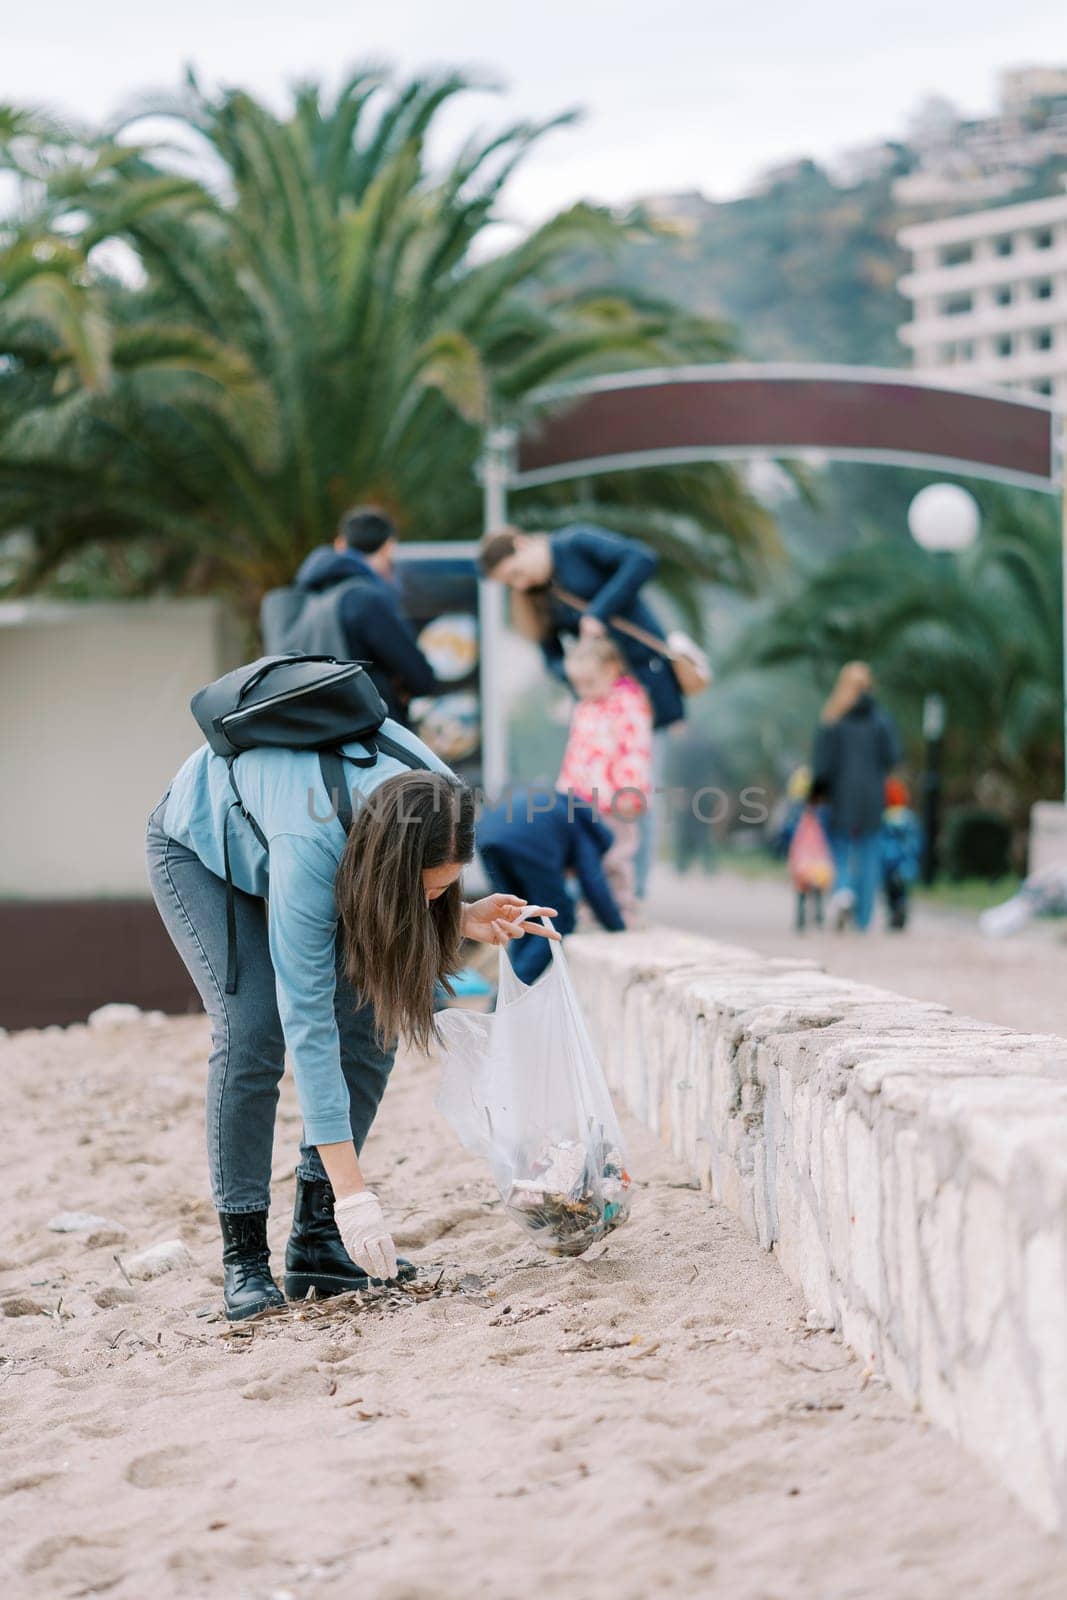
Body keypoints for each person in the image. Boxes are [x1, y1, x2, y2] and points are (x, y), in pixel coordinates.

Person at [146, 726, 558, 1322]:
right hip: (205, 845)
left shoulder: (439, 794)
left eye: (445, 887)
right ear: (387, 873)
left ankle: (316, 1241)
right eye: (429, 891)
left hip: (324, 847)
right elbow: (307, 1019)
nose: (433, 900)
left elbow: (408, 894)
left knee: (372, 1008)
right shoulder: (310, 849)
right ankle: (244, 1258)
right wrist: (353, 1194)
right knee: (254, 1031)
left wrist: (458, 914)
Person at [478, 522, 685, 894]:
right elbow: (551, 658)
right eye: (512, 582)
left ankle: (634, 891)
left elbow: (641, 558)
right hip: (599, 707)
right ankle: (605, 889)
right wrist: (582, 677)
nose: (520, 584)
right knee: (594, 796)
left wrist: (598, 614)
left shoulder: (576, 542)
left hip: (647, 686)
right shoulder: (536, 598)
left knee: (640, 788)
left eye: (517, 572)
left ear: (524, 544)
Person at [287, 506, 438, 721]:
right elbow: (420, 678)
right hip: (368, 733)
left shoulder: (305, 598)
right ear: (388, 547)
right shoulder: (367, 599)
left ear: (340, 544)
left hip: (312, 727)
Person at [477, 789, 625, 985]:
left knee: (517, 916)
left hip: (487, 837)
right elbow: (593, 883)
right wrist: (617, 928)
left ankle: (508, 993)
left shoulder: (564, 807)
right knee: (559, 917)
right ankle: (515, 989)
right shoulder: (588, 833)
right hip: (527, 840)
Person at [556, 636, 653, 923]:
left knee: (617, 855)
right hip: (583, 796)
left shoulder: (629, 703)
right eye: (578, 684)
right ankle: (591, 906)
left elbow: (635, 749)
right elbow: (576, 750)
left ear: (611, 669)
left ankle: (623, 906)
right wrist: (565, 789)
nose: (583, 690)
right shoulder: (585, 706)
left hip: (615, 797)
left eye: (589, 682)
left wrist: (630, 791)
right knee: (586, 856)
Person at [813, 661, 901, 933]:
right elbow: (893, 757)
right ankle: (862, 920)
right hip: (872, 797)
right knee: (869, 854)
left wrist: (816, 795)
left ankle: (842, 891)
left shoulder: (833, 719)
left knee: (839, 848)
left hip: (840, 797)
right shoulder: (881, 719)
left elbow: (822, 765)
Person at [786, 775, 833, 932]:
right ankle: (818, 918)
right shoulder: (824, 813)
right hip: (819, 860)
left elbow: (788, 833)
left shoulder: (797, 813)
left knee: (802, 890)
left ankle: (801, 919)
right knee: (817, 889)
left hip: (802, 860)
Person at [880, 776, 922, 931]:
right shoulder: (909, 817)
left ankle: (894, 914)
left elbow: (881, 842)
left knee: (890, 893)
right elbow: (916, 842)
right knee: (902, 892)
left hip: (889, 863)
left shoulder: (884, 817)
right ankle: (901, 908)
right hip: (905, 863)